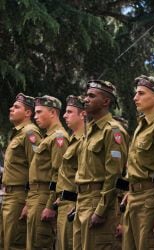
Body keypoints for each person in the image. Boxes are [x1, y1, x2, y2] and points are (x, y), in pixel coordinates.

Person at [73, 80, 129, 249]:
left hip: (97, 201)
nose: (85, 99)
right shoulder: (89, 131)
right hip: (82, 200)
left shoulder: (112, 131)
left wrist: (101, 210)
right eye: (86, 95)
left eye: (91, 96)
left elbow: (114, 175)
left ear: (106, 102)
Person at [122, 75, 154, 250]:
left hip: (151, 200)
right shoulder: (142, 126)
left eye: (141, 93)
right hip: (134, 198)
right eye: (136, 94)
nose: (135, 98)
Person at [27, 95, 69, 250]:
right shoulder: (48, 137)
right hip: (36, 196)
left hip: (44, 197)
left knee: (40, 243)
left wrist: (50, 205)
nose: (35, 117)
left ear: (52, 113)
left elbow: (59, 174)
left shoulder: (59, 138)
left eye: (39, 112)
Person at [1, 93, 42, 250]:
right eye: (12, 106)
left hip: (20, 197)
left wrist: (28, 202)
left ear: (28, 113)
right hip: (9, 195)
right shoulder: (19, 132)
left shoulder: (30, 133)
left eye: (17, 107)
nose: (11, 109)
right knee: (5, 242)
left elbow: (36, 167)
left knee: (15, 244)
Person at [55, 95, 85, 250]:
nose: (65, 115)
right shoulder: (73, 139)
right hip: (64, 202)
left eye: (70, 112)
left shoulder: (84, 140)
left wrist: (77, 203)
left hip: (74, 204)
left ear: (82, 114)